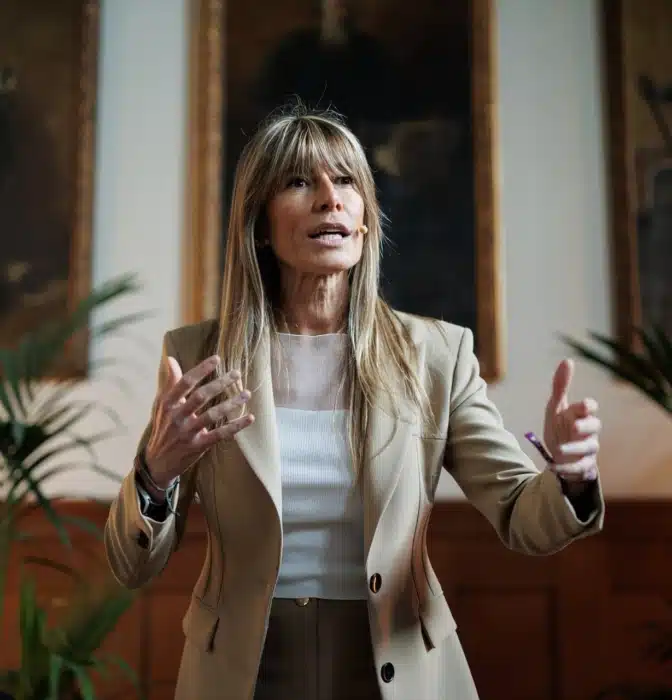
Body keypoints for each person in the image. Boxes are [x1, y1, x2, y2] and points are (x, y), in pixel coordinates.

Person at [104, 104, 605, 700]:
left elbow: (523, 516)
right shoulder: (196, 355)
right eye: (298, 182)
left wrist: (571, 477)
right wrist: (156, 473)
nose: (329, 199)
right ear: (260, 224)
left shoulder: (436, 355)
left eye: (345, 181)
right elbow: (131, 565)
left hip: (395, 662)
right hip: (243, 669)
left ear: (365, 219)